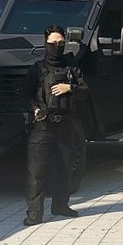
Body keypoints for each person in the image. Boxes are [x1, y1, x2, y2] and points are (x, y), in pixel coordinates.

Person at [23, 25, 88, 226]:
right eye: (53, 43)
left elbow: (85, 92)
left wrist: (70, 87)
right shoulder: (37, 69)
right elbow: (25, 95)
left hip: (65, 125)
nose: (57, 47)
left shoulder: (72, 69)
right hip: (42, 127)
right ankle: (35, 213)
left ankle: (60, 205)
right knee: (36, 173)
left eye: (61, 43)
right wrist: (35, 108)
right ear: (46, 43)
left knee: (65, 169)